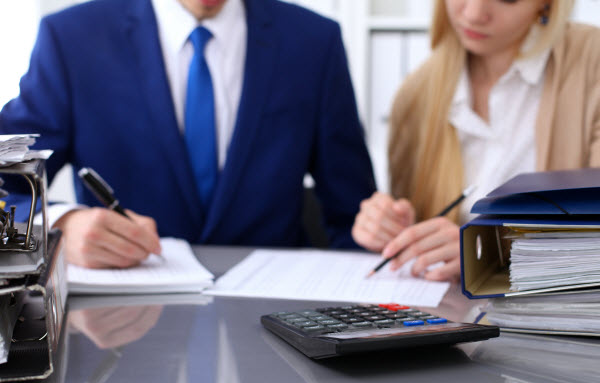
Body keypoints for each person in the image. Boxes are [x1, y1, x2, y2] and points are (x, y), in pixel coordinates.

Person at [0, 0, 376, 268]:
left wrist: (379, 232)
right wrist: (59, 227)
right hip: (121, 331)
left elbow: (354, 215)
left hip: (276, 324)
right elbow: (6, 190)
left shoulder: (313, 41)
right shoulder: (72, 39)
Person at [352, 0, 600, 282]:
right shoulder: (414, 96)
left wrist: (494, 254)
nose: (473, 14)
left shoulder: (592, 63)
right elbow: (421, 255)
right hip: (453, 319)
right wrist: (396, 228)